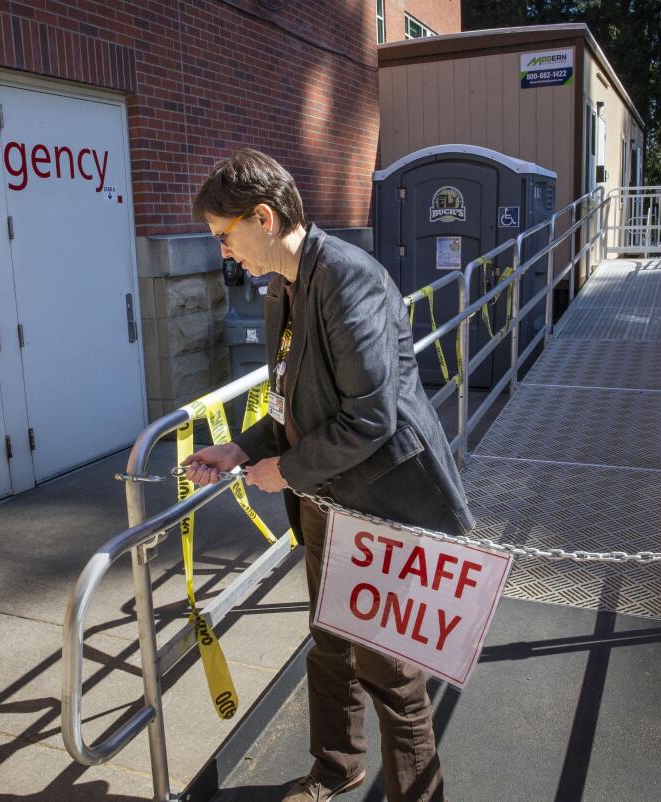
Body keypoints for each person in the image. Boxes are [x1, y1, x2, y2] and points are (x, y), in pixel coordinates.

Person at [183, 149, 473, 802]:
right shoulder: (284, 286)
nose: (225, 252)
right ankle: (336, 769)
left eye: (226, 236)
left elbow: (370, 416)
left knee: (391, 675)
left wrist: (283, 470)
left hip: (380, 506)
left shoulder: (348, 281)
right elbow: (292, 402)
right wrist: (240, 447)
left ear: (263, 217)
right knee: (329, 645)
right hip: (325, 500)